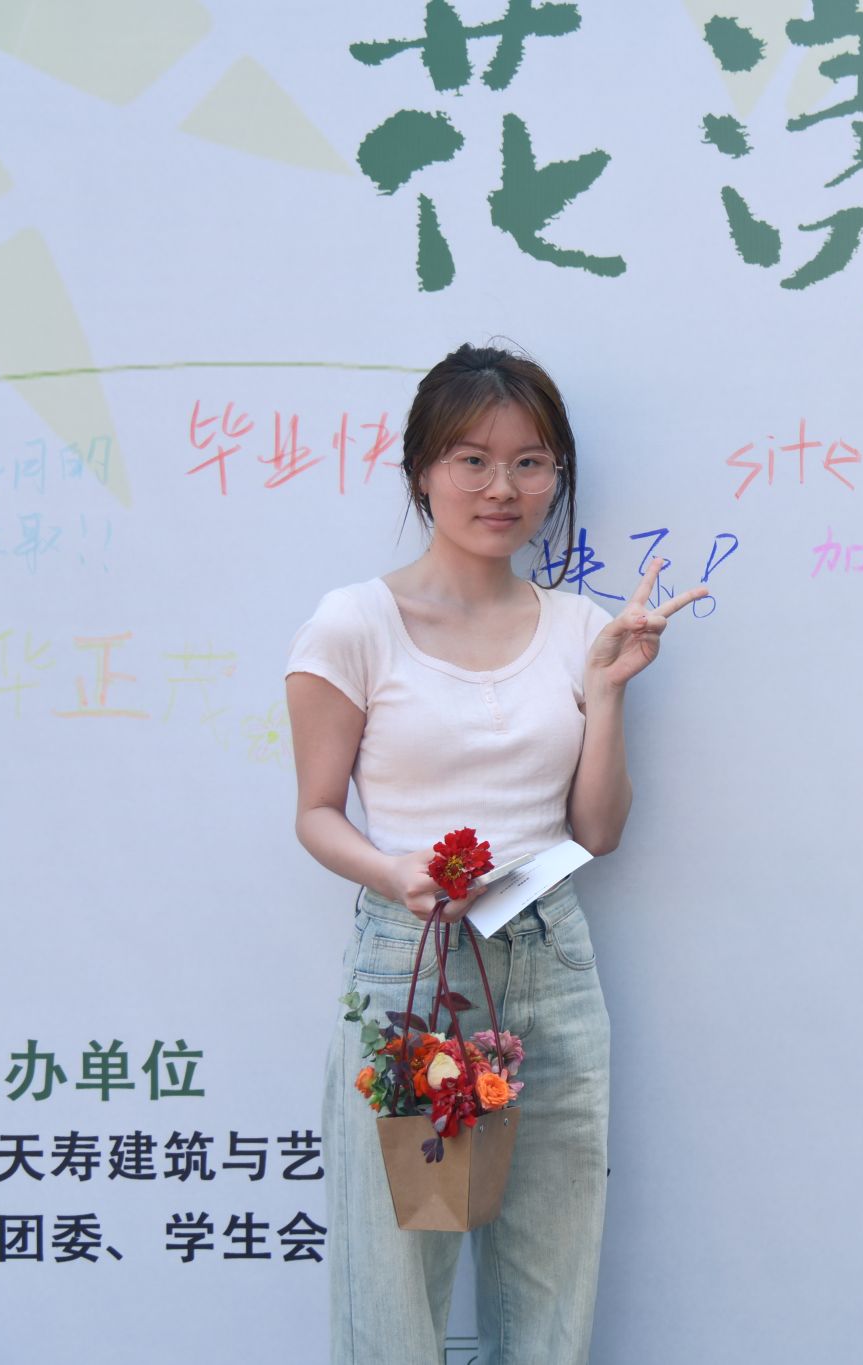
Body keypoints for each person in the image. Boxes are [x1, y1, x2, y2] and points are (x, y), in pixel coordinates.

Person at [286, 343, 702, 1364]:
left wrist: (607, 691)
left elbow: (597, 832)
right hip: (413, 961)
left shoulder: (579, 627)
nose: (502, 487)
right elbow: (316, 813)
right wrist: (393, 872)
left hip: (551, 962)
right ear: (420, 470)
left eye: (530, 462)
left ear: (556, 475)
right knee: (393, 1286)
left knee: (550, 1283)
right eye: (472, 459)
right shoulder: (354, 623)